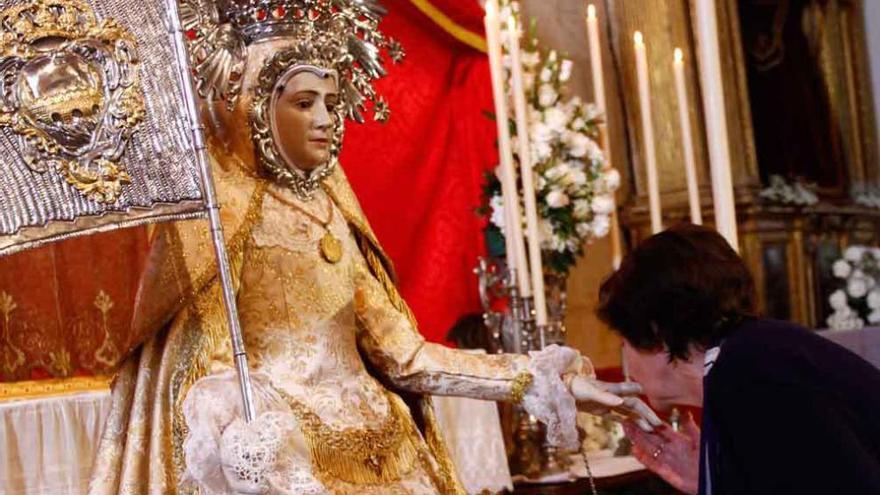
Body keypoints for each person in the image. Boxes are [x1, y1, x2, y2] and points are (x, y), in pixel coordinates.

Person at [85, 1, 660, 494]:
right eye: (304, 102)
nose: (327, 121)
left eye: (333, 103)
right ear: (255, 108)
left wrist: (543, 381)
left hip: (390, 454)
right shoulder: (219, 222)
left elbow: (403, 354)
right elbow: (196, 376)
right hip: (289, 458)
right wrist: (243, 427)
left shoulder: (332, 213)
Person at [597, 224, 880, 495]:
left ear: (655, 333)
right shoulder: (752, 352)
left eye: (624, 342)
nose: (627, 362)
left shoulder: (745, 373)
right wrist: (715, 479)